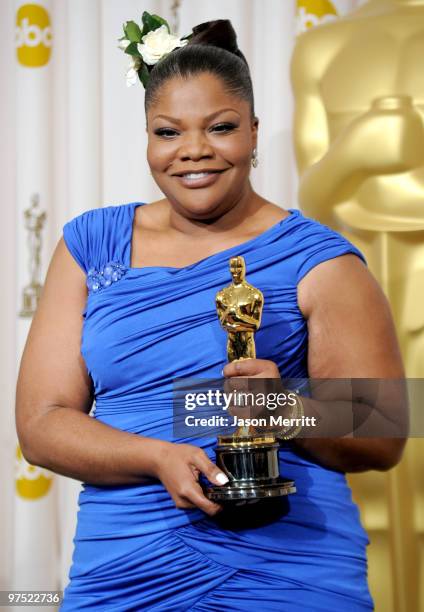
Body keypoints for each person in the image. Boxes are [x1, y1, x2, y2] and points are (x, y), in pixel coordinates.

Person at [15, 17, 406, 611]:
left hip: (286, 571)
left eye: (221, 128)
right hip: (125, 568)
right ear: (147, 137)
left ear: (253, 132)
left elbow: (387, 434)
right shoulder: (90, 245)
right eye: (168, 132)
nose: (193, 151)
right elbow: (41, 423)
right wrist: (155, 456)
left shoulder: (318, 258)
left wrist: (284, 406)